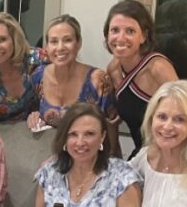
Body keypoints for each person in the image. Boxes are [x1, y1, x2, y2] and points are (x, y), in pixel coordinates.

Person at [34, 103, 141, 207]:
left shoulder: (123, 177)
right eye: (73, 134)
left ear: (102, 137)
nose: (80, 142)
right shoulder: (49, 172)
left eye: (89, 134)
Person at [28, 14, 120, 148]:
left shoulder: (99, 80)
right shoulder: (38, 76)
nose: (60, 47)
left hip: (91, 156)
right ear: (46, 46)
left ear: (78, 43)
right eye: (54, 41)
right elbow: (35, 110)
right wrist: (34, 116)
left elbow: (111, 131)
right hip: (51, 153)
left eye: (67, 40)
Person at [104, 0, 179, 155]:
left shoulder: (158, 68)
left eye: (130, 31)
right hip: (141, 153)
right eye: (115, 30)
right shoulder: (113, 69)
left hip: (171, 154)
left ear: (144, 36)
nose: (120, 38)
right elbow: (112, 116)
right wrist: (114, 149)